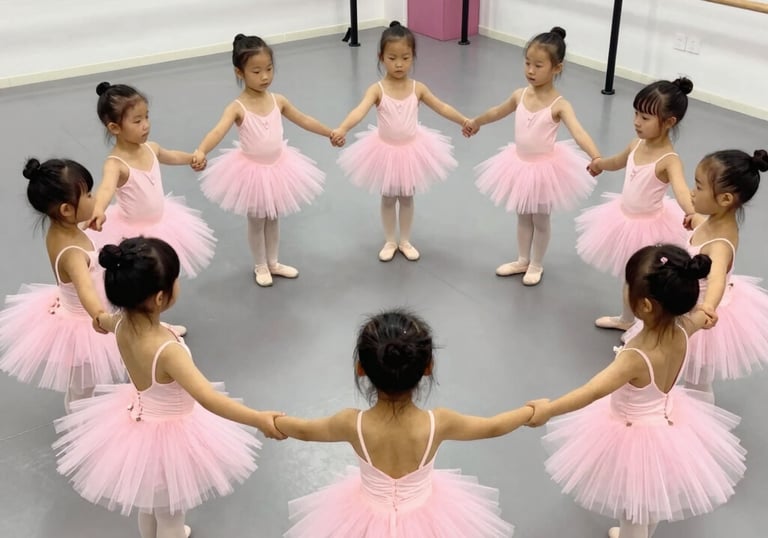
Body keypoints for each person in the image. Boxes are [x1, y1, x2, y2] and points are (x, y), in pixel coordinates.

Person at [53, 237, 285, 538]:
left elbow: (102, 321)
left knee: (149, 505)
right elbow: (207, 397)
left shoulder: (121, 324)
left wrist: (98, 317)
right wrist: (258, 418)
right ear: (160, 298)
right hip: (169, 440)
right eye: (175, 280)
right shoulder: (167, 351)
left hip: (137, 426)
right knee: (172, 518)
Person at [527, 245, 745, 538]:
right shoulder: (684, 328)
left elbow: (592, 391)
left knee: (632, 510)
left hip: (634, 435)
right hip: (668, 426)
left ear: (644, 305)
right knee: (649, 499)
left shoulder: (636, 357)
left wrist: (548, 410)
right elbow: (701, 319)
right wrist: (707, 312)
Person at [276, 309, 531, 537]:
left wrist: (273, 422)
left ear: (361, 369)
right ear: (428, 367)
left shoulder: (351, 423)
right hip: (429, 515)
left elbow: (305, 431)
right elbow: (493, 426)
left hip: (364, 514)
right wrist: (530, 411)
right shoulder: (439, 422)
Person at [464, 27, 601, 286]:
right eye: (527, 63)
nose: (530, 70)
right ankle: (522, 259)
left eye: (538, 65)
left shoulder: (560, 104)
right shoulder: (520, 94)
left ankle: (537, 263)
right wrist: (476, 121)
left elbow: (579, 132)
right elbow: (497, 112)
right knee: (522, 215)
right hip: (519, 164)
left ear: (556, 68)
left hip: (544, 170)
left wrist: (595, 157)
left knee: (540, 218)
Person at [194, 34, 330, 287]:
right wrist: (201, 150)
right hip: (253, 172)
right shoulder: (237, 107)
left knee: (274, 216)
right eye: (256, 71)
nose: (265, 76)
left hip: (279, 167)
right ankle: (260, 264)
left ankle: (274, 262)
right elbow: (217, 131)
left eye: (269, 69)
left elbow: (304, 119)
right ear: (240, 72)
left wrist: (329, 132)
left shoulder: (278, 100)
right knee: (257, 220)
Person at [331, 22, 470, 262]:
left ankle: (404, 240)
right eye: (392, 58)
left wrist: (463, 120)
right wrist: (342, 128)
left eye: (405, 58)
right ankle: (389, 240)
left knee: (406, 197)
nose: (398, 64)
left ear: (412, 57)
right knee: (387, 197)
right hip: (384, 151)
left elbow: (442, 107)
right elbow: (359, 111)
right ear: (381, 57)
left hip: (411, 151)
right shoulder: (377, 89)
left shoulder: (418, 88)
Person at [0, 158, 123, 410]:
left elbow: (80, 225)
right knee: (83, 384)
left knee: (84, 380)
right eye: (88, 195)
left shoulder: (61, 229)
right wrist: (100, 317)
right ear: (67, 209)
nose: (94, 198)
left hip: (71, 310)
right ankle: (78, 422)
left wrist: (93, 214)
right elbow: (86, 290)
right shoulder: (73, 255)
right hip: (83, 322)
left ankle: (80, 408)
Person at [576, 79, 696, 329]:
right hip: (622, 218)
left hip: (649, 229)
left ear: (669, 122)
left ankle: (645, 326)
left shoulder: (669, 160)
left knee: (645, 282)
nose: (636, 122)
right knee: (631, 279)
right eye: (636, 114)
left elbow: (682, 191)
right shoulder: (636, 143)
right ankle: (626, 320)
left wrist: (692, 213)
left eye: (645, 118)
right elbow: (618, 161)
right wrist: (599, 164)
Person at [88, 82, 216, 279]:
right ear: (114, 127)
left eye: (146, 117)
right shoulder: (116, 164)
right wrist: (98, 209)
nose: (146, 125)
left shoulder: (151, 148)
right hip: (133, 233)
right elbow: (106, 188)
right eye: (137, 121)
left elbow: (171, 156)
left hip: (162, 223)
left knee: (161, 270)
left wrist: (191, 158)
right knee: (140, 276)